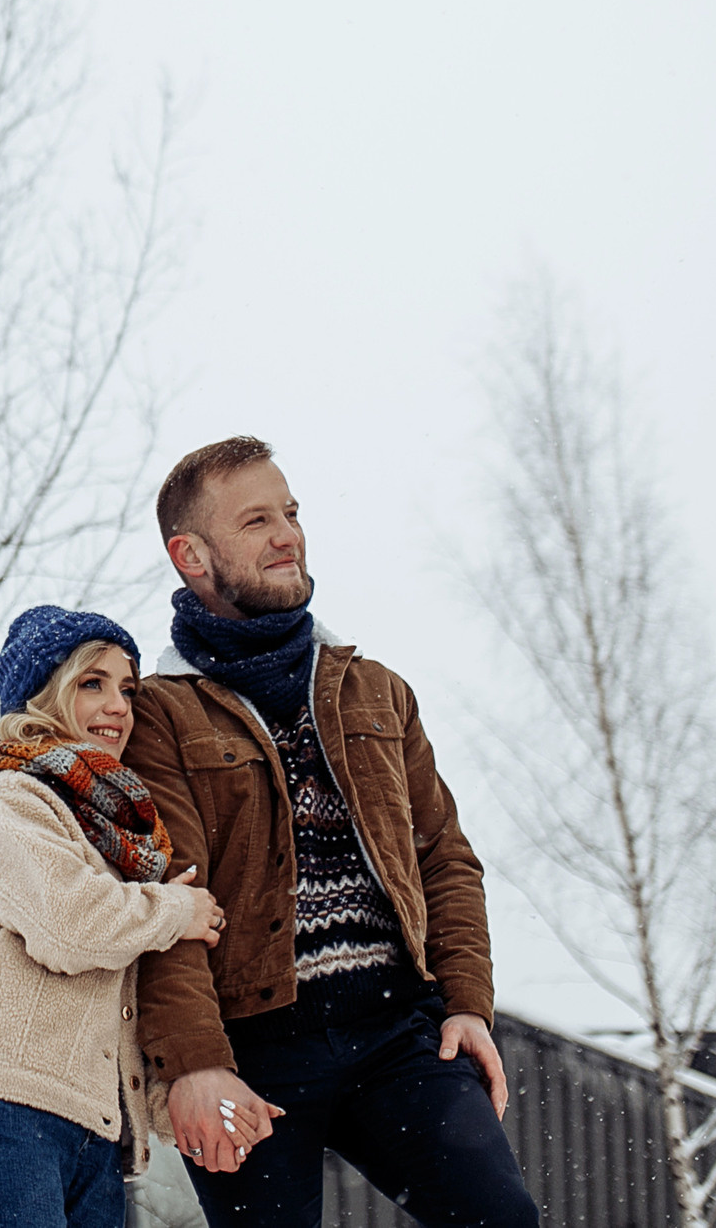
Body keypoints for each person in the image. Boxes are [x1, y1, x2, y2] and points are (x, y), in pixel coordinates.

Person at [122, 437, 539, 1228]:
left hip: (395, 1034)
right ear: (192, 555)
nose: (288, 534)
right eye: (256, 520)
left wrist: (467, 1004)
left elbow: (445, 858)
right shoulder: (159, 713)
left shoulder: (374, 690)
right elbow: (164, 904)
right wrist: (196, 1065)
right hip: (250, 1051)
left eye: (292, 512)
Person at [0, 605, 226, 1228]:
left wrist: (174, 1103)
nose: (118, 705)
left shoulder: (107, 835)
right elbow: (74, 927)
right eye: (93, 683)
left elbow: (112, 1004)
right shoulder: (5, 800)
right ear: (44, 695)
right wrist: (174, 908)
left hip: (94, 1132)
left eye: (127, 689)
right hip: (2, 1110)